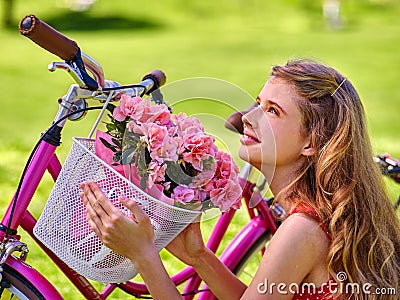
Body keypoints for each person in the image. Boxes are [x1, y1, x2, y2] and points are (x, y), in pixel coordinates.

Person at [80, 59, 400, 299]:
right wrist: (199, 257)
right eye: (258, 104)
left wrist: (144, 255)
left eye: (273, 111)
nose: (248, 117)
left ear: (311, 143)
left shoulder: (303, 230)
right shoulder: (317, 214)